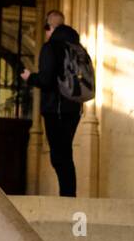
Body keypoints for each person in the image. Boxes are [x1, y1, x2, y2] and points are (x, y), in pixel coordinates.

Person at [21, 10, 92, 197]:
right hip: (74, 108)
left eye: (46, 27)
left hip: (56, 108)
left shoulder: (51, 47)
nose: (45, 32)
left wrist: (30, 77)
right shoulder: (78, 47)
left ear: (51, 27)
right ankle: (68, 195)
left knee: (59, 155)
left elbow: (46, 80)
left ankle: (68, 197)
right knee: (64, 152)